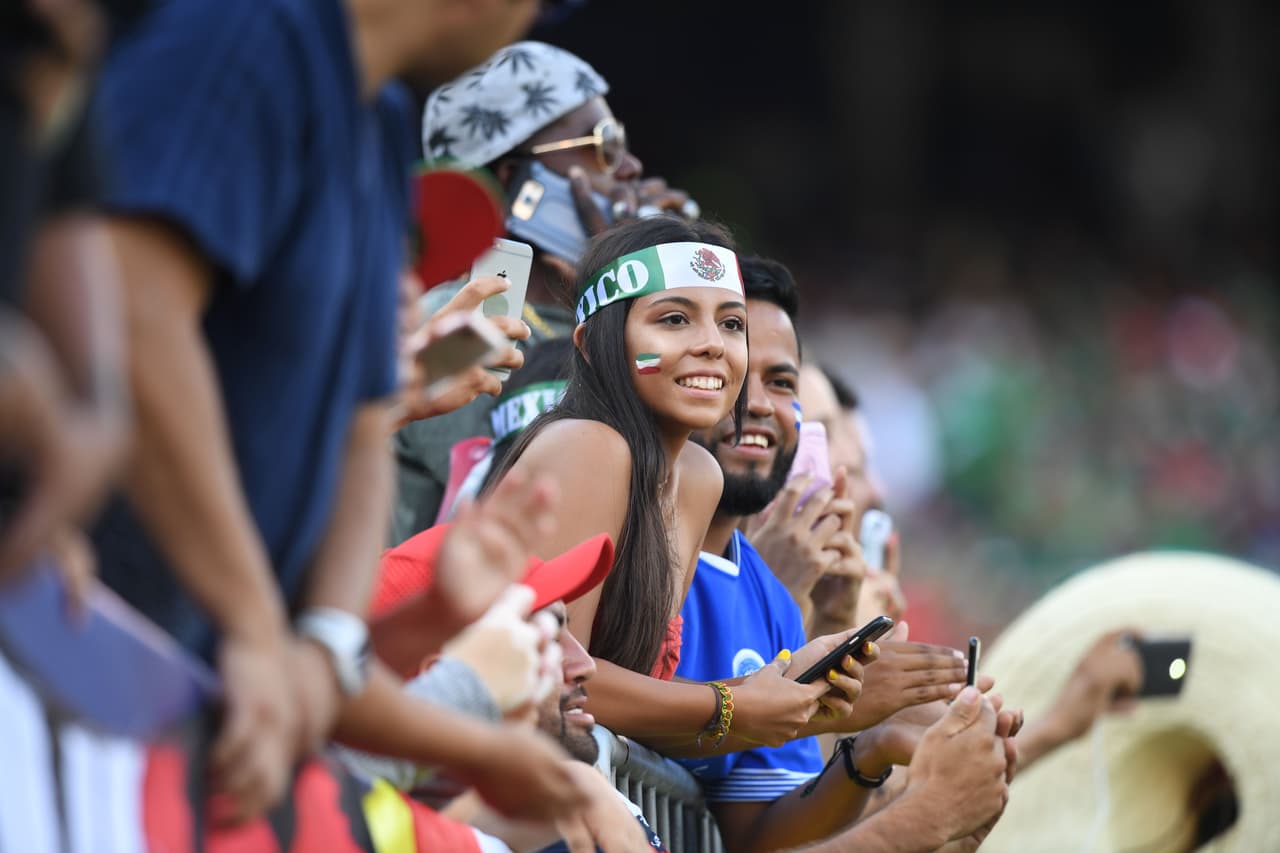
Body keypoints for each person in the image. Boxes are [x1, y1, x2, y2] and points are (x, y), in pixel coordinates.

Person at [86, 0, 545, 822]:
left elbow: (365, 422)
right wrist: (258, 626)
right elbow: (135, 313)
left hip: (189, 709)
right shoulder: (241, 32)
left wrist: (323, 643)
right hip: (75, 664)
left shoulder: (382, 113)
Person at [674, 256, 976, 851]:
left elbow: (759, 838)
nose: (756, 404)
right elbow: (581, 709)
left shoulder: (765, 593)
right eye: (732, 371)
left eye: (781, 383)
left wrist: (871, 749)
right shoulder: (627, 532)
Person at [392, 40, 693, 542]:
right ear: (518, 181)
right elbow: (541, 515)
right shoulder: (462, 321)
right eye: (605, 145)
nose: (631, 168)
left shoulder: (589, 314)